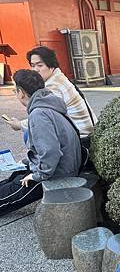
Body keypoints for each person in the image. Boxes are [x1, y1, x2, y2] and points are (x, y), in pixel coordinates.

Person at [0, 70, 81, 216]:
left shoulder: (39, 114)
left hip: (58, 174)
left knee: (14, 188)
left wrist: (37, 175)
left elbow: (51, 151)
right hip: (63, 166)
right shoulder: (49, 103)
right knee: (15, 177)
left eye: (15, 90)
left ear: (21, 93)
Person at [6, 46, 96, 140]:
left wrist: (19, 124)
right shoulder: (58, 77)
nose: (35, 70)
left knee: (29, 135)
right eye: (33, 65)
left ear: (51, 65)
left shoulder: (53, 86)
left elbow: (41, 118)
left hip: (81, 136)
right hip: (86, 130)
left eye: (40, 65)